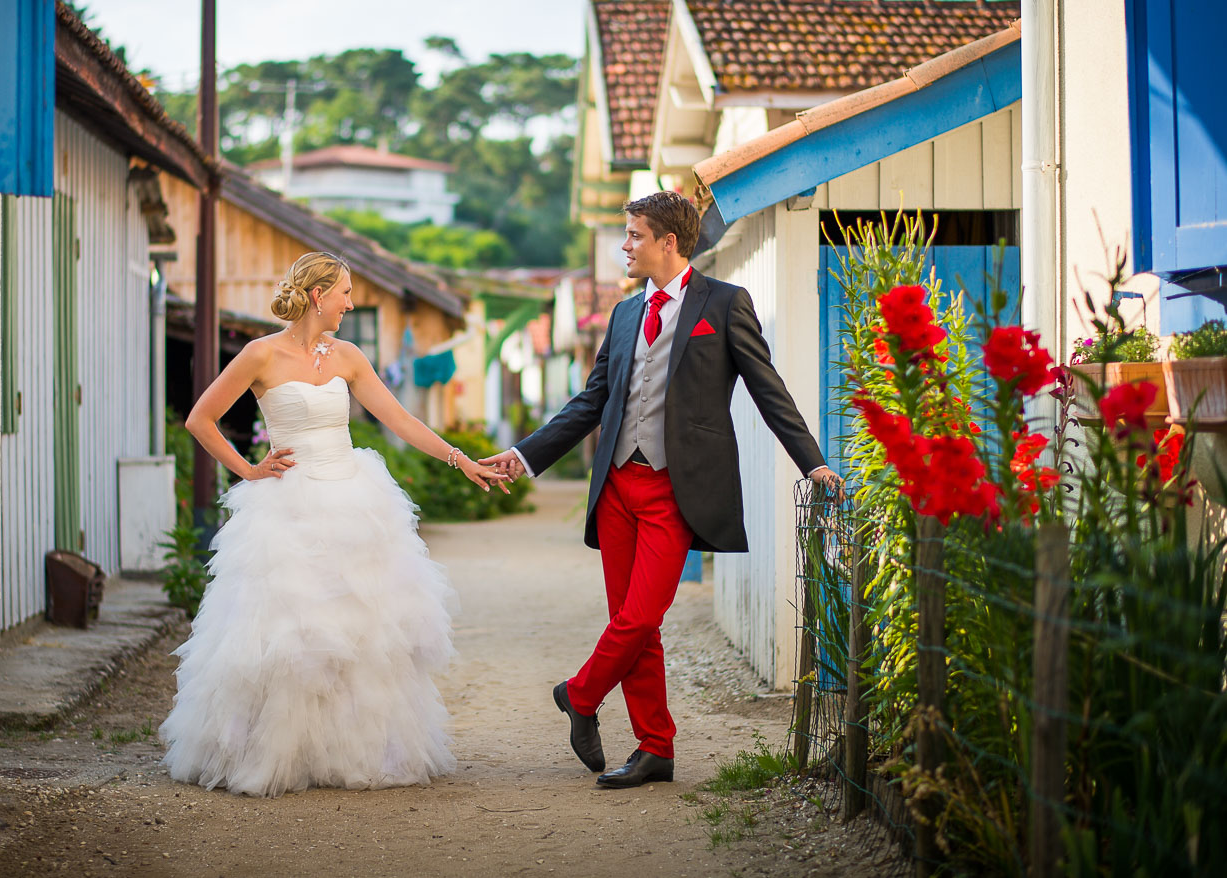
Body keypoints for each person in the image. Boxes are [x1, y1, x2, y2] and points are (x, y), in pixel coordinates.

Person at [481, 192, 841, 789]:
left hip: (677, 488)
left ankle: (579, 693)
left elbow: (766, 388)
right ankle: (656, 748)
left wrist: (813, 463)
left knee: (644, 612)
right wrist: (523, 456)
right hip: (618, 485)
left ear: (668, 242)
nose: (625, 245)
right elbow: (589, 403)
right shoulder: (624, 314)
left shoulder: (723, 304)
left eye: (633, 235)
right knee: (632, 621)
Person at [160, 252, 510, 797]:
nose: (350, 303)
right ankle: (279, 751)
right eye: (345, 292)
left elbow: (398, 419)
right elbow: (199, 418)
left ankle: (356, 749)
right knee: (291, 635)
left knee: (362, 632)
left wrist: (460, 459)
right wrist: (249, 471)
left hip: (353, 499)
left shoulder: (348, 356)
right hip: (288, 509)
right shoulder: (260, 355)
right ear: (318, 295)